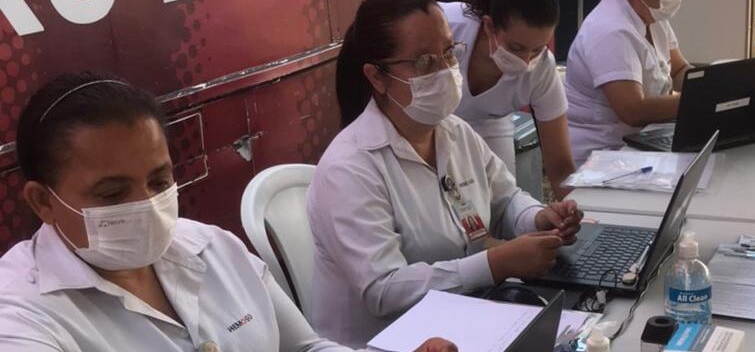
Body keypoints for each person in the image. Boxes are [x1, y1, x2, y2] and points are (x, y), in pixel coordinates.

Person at [0, 72, 455, 352]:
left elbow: (303, 348)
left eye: (159, 181)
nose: (147, 204)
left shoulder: (213, 248)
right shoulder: (20, 315)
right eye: (113, 194)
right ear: (43, 202)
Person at [307, 0, 584, 347]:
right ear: (377, 77)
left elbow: (504, 200)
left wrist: (539, 218)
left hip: (464, 323)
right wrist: (496, 263)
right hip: (389, 342)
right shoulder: (350, 168)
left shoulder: (455, 132)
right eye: (424, 62)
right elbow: (383, 290)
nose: (444, 71)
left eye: (448, 53)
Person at [440, 0, 575, 200]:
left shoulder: (543, 68)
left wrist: (579, 218)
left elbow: (560, 164)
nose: (526, 62)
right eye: (516, 48)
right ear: (490, 26)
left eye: (537, 49)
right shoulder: (445, 29)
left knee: (502, 201)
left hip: (491, 123)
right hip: (430, 124)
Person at [565, 0, 692, 164]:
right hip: (604, 154)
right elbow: (633, 110)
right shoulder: (610, 31)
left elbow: (679, 69)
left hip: (641, 142)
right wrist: (699, 100)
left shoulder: (653, 14)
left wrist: (711, 85)